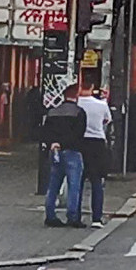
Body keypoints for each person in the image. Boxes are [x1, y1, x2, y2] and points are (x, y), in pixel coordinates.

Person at [41, 84, 87, 228]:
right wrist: (64, 143)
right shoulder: (79, 112)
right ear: (76, 96)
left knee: (53, 184)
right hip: (72, 151)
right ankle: (73, 217)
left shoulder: (52, 112)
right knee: (74, 185)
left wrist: (53, 143)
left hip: (55, 151)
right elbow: (79, 134)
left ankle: (50, 215)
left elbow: (45, 131)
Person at [78, 85, 112, 229]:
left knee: (77, 181)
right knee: (97, 181)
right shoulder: (101, 105)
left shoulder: (76, 103)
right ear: (92, 88)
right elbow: (107, 120)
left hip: (80, 141)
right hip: (97, 143)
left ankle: (75, 216)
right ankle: (96, 218)